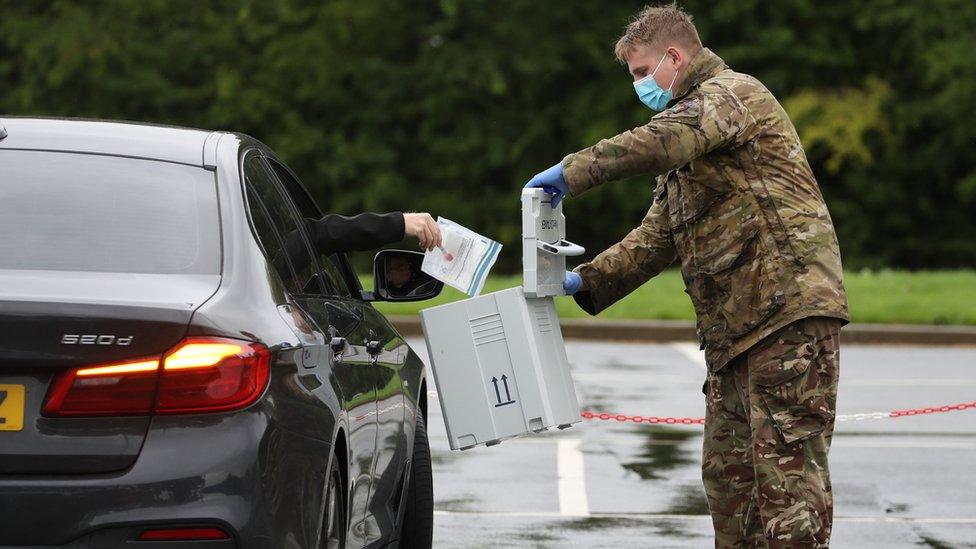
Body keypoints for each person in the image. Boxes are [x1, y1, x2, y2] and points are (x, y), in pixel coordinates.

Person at [524, 4, 848, 548]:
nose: (639, 87)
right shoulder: (691, 143)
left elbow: (658, 141)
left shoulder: (729, 97)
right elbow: (655, 239)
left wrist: (571, 173)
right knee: (730, 484)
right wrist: (581, 281)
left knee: (787, 496)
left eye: (640, 72)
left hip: (785, 316)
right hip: (735, 333)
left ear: (674, 57)